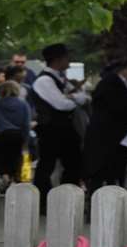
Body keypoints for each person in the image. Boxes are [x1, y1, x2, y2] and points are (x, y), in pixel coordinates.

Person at [31, 44, 89, 192]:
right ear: (57, 59)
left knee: (73, 164)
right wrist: (72, 98)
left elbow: (83, 98)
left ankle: (68, 194)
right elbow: (61, 104)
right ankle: (42, 199)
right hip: (51, 129)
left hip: (64, 129)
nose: (69, 60)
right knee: (47, 166)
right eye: (66, 56)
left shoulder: (61, 79)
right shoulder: (44, 80)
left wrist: (72, 96)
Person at [84, 52, 127, 189]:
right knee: (106, 171)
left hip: (118, 136)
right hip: (111, 136)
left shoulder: (117, 84)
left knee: (116, 172)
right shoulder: (111, 84)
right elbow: (121, 109)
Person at [0, 78, 32, 187]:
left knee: (1, 158)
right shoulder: (23, 104)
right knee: (15, 158)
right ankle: (13, 177)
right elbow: (26, 123)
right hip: (17, 135)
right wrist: (26, 140)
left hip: (2, 134)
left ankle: (4, 176)